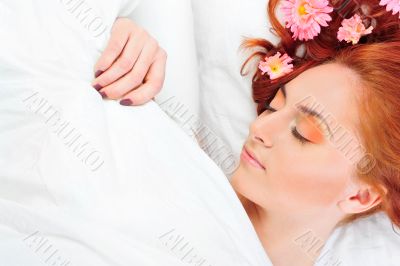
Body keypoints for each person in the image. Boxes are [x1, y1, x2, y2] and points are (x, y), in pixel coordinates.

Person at [106, 0, 400, 265]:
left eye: (302, 133)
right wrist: (120, 38)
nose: (259, 127)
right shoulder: (174, 158)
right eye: (274, 106)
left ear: (360, 196)